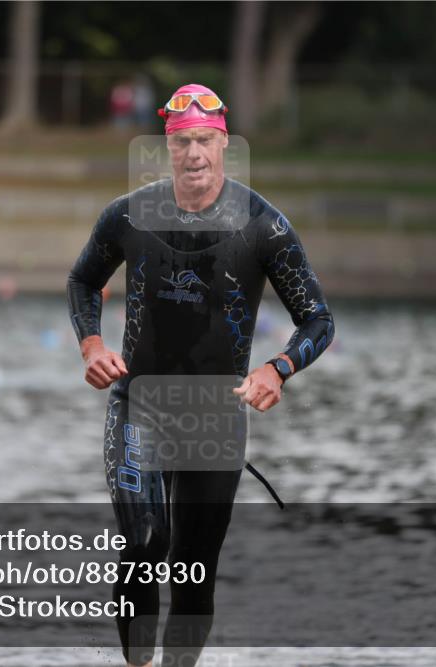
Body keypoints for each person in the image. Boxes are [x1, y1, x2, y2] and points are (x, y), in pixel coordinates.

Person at [66, 83, 334, 667]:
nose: (195, 154)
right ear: (168, 147)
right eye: (184, 141)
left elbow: (317, 319)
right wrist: (90, 344)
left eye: (206, 141)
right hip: (139, 406)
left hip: (216, 418)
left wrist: (278, 367)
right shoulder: (128, 216)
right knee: (143, 543)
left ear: (224, 146)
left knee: (193, 571)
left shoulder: (264, 227)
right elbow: (83, 280)